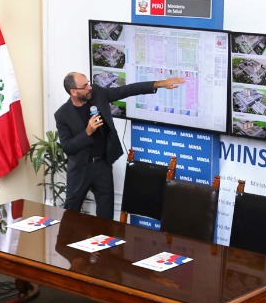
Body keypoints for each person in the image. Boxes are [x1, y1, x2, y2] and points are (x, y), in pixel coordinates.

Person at [53, 71, 185, 219]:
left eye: (88, 83)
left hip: (102, 166)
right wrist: (87, 131)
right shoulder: (63, 114)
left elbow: (126, 90)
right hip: (79, 170)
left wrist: (160, 84)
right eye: (85, 86)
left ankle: (103, 241)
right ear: (73, 92)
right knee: (70, 215)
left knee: (106, 216)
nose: (90, 87)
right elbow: (68, 147)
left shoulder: (97, 93)